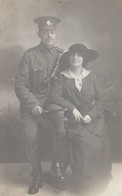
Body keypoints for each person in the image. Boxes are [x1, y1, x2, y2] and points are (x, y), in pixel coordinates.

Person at [48, 43, 112, 194]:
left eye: (79, 55)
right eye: (73, 55)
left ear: (84, 58)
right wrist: (72, 108)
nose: (75, 57)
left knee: (98, 143)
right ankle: (86, 185)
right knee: (83, 145)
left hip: (94, 118)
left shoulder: (92, 76)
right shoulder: (62, 77)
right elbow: (53, 96)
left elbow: (102, 100)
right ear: (69, 58)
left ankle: (99, 182)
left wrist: (91, 115)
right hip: (75, 119)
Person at [15, 16, 65, 194]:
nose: (49, 35)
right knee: (30, 137)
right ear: (39, 34)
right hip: (32, 102)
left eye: (52, 32)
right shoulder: (29, 55)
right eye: (45, 32)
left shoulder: (62, 55)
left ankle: (55, 171)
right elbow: (20, 86)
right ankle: (37, 175)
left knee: (61, 130)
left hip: (53, 101)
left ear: (56, 33)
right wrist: (32, 104)